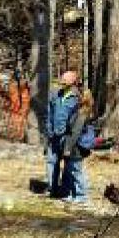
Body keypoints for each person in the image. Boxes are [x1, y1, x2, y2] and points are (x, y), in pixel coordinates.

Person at [45, 71, 85, 200]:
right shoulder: (55, 94)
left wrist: (70, 139)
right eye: (61, 77)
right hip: (53, 135)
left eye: (65, 78)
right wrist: (49, 130)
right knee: (52, 162)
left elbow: (77, 121)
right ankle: (53, 189)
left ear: (73, 81)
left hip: (67, 136)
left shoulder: (78, 98)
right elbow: (49, 113)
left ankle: (69, 192)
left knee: (69, 166)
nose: (62, 80)